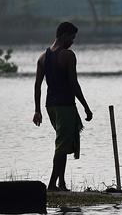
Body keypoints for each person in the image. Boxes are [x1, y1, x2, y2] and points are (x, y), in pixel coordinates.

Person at [33, 21, 93, 191]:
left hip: (50, 106)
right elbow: (74, 84)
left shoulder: (42, 58)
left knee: (64, 142)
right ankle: (52, 184)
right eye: (72, 37)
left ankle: (62, 183)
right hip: (64, 105)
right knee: (62, 145)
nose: (73, 41)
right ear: (64, 35)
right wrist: (86, 107)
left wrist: (37, 110)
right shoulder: (68, 55)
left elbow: (37, 86)